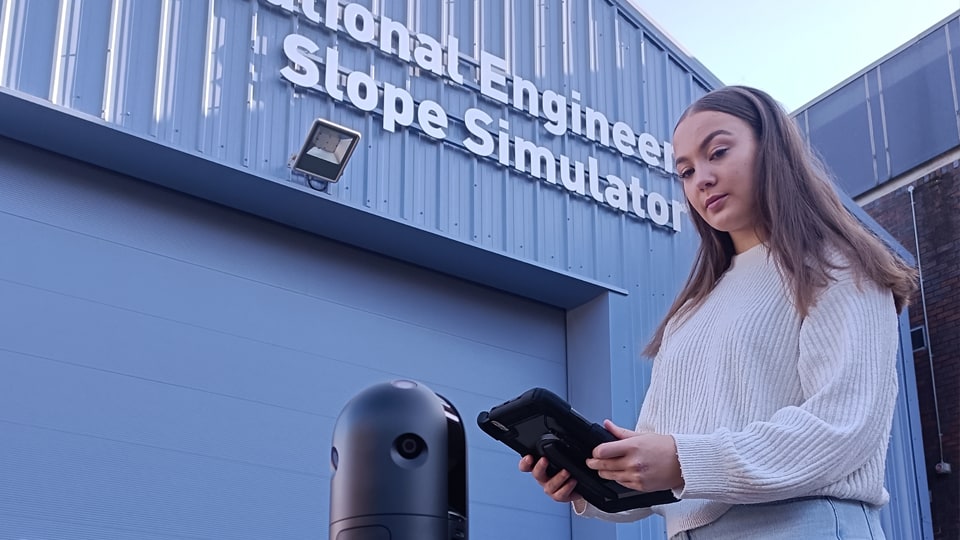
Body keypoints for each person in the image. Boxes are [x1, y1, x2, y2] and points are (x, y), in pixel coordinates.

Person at [519, 85, 917, 539]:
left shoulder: (836, 266)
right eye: (686, 171)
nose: (701, 180)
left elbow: (842, 429)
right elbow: (667, 479)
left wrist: (683, 460)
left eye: (718, 153)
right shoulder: (690, 311)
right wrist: (592, 481)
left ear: (772, 149)